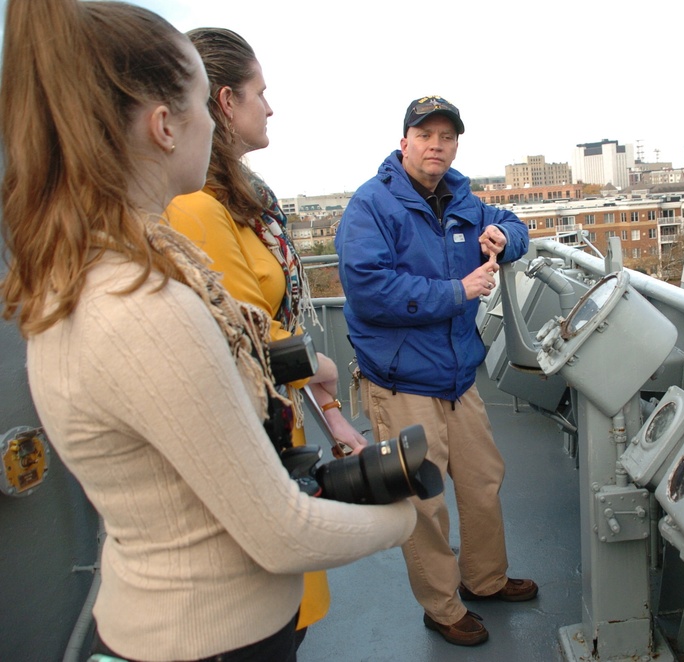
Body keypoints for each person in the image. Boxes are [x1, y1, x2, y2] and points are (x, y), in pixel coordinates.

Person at [0, 2, 415, 661]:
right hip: (213, 639)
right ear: (165, 125)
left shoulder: (109, 268)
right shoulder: (144, 305)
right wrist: (403, 513)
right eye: (201, 102)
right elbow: (280, 532)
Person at [164, 28, 366, 642]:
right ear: (225, 103)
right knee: (267, 628)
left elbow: (280, 322)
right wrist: (325, 372)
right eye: (260, 92)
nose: (270, 106)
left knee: (285, 624)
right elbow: (250, 341)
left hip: (279, 427)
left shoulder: (248, 201)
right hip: (252, 443)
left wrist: (332, 418)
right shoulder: (198, 206)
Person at [335, 96, 536, 647]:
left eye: (447, 137)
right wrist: (458, 291)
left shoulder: (464, 199)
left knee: (482, 483)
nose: (437, 146)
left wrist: (505, 240)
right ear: (404, 142)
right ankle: (442, 608)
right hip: (401, 383)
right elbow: (370, 291)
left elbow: (516, 224)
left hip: (458, 378)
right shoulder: (371, 206)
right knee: (424, 506)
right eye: (426, 135)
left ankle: (486, 581)